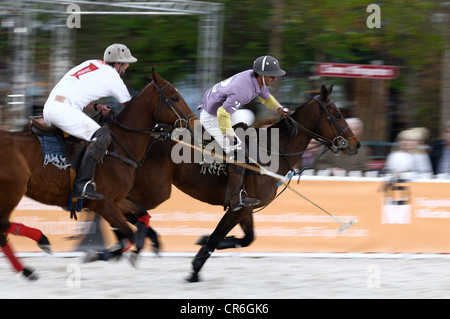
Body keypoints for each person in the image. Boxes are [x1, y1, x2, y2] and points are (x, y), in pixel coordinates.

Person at [43, 43, 137, 200]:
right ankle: (81, 185)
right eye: (126, 63)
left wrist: (96, 106)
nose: (127, 67)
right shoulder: (114, 78)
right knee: (103, 135)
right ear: (118, 63)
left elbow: (75, 92)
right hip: (63, 111)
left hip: (50, 108)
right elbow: (132, 108)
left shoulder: (90, 64)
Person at [197, 55, 289, 211]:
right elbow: (222, 113)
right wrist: (229, 135)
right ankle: (235, 197)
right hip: (213, 115)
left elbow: (266, 98)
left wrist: (279, 109)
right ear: (261, 74)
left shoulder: (257, 80)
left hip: (224, 110)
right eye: (272, 75)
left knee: (245, 140)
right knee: (238, 152)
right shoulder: (244, 90)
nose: (275, 78)